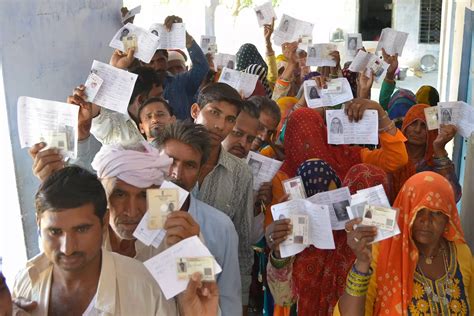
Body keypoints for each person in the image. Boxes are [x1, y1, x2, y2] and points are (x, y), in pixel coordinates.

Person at [12, 166, 177, 315]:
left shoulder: (146, 291)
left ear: (104, 222)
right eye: (55, 232)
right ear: (38, 224)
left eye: (81, 229)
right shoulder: (26, 281)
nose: (67, 248)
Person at [337, 172, 473, 315]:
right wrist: (362, 263)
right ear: (406, 211)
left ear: (448, 218)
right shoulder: (382, 253)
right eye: (418, 210)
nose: (426, 220)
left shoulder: (461, 254)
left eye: (436, 212)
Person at [152, 121, 243, 315]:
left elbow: (229, 300)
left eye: (190, 165)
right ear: (155, 161)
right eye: (170, 161)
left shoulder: (221, 227)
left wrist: (193, 248)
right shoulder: (133, 222)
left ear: (201, 172)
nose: (177, 173)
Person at [189, 83, 255, 312]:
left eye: (229, 119)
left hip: (212, 289)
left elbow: (243, 241)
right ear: (195, 111)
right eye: (214, 112)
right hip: (162, 277)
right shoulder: (166, 157)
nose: (219, 126)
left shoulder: (240, 173)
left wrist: (241, 300)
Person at [141, 15, 209, 120]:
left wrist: (187, 39)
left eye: (161, 60)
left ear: (166, 59)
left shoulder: (180, 82)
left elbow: (202, 67)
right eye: (151, 62)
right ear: (143, 64)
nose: (157, 66)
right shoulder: (137, 88)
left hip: (184, 136)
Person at [390, 104, 462, 203]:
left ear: (432, 131)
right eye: (413, 123)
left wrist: (439, 148)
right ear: (405, 126)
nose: (417, 130)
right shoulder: (392, 158)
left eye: (424, 125)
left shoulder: (434, 163)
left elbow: (453, 196)